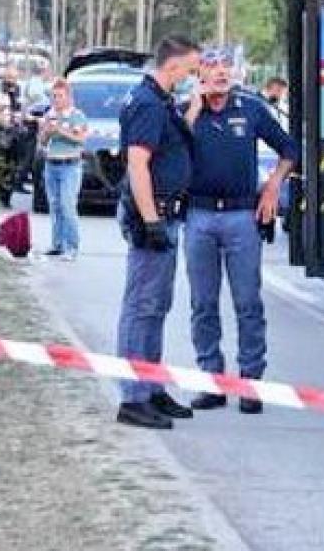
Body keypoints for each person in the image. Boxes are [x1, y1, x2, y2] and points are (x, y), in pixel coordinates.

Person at [184, 48, 298, 414]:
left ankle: (250, 382)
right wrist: (192, 111)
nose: (221, 73)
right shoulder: (186, 112)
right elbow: (168, 151)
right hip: (199, 216)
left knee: (247, 302)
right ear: (198, 74)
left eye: (226, 66)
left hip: (241, 217)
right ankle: (212, 380)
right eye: (212, 67)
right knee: (203, 303)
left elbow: (289, 149)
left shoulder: (250, 109)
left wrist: (273, 186)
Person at [115, 35, 201, 430]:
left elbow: (168, 147)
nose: (192, 76)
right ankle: (133, 398)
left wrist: (194, 111)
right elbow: (138, 165)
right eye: (190, 69)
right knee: (142, 308)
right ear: (173, 67)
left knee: (157, 307)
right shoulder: (148, 103)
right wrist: (150, 220)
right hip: (153, 216)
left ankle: (151, 387)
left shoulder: (158, 100)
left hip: (165, 214)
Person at [40, 79, 88, 260]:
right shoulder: (49, 115)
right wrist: (46, 132)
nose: (56, 100)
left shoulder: (76, 115)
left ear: (68, 97)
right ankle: (57, 244)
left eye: (60, 96)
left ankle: (72, 247)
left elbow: (81, 138)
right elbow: (42, 142)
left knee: (68, 206)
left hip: (70, 165)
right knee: (55, 206)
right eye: (53, 96)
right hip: (51, 164)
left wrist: (60, 130)